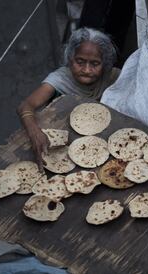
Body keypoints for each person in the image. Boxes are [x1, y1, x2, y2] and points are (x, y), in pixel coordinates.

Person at [17, 27, 120, 170]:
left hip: (97, 148)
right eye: (80, 61)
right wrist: (35, 132)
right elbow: (25, 105)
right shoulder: (59, 78)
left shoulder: (113, 77)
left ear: (105, 63)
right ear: (70, 59)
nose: (86, 70)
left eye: (95, 63)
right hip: (62, 147)